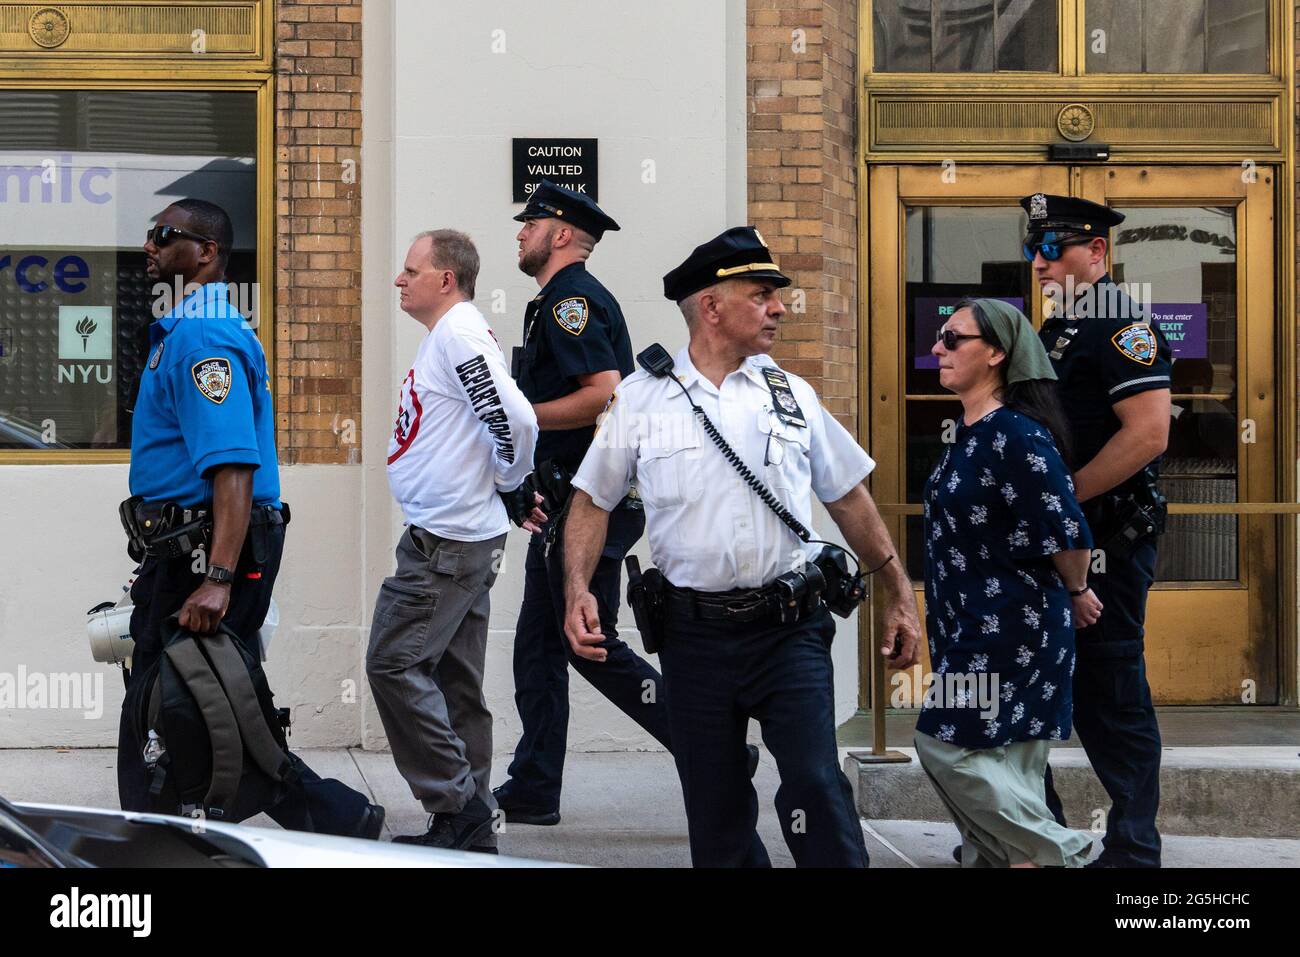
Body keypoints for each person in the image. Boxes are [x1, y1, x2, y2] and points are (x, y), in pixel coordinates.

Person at [561, 226, 922, 867]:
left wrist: (898, 593)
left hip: (790, 629)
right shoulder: (642, 401)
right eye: (762, 295)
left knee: (815, 782)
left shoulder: (791, 395)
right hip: (694, 637)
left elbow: (847, 496)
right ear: (712, 306)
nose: (779, 308)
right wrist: (578, 593)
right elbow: (592, 499)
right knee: (716, 801)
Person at [117, 198, 382, 838]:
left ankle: (145, 834)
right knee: (215, 695)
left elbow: (232, 468)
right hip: (186, 547)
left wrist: (219, 575)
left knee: (175, 693)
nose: (149, 246)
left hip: (201, 551)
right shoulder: (188, 329)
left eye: (164, 235)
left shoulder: (205, 337)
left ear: (205, 253)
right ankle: (336, 818)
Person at [492, 181, 678, 826]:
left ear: (562, 233)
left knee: (582, 643)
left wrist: (516, 419)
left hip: (593, 502)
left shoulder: (572, 300)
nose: (520, 233)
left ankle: (709, 747)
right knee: (542, 648)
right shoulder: (551, 301)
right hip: (571, 497)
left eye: (532, 223)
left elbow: (603, 394)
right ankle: (533, 787)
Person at [367, 230, 541, 851]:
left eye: (411, 270)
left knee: (392, 663)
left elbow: (516, 417)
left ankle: (458, 806)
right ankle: (470, 824)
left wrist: (514, 480)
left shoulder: (459, 333)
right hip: (459, 540)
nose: (399, 279)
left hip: (446, 546)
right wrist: (507, 482)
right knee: (456, 682)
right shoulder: (452, 333)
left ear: (446, 279)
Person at [917, 298, 1099, 868]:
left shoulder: (1017, 434)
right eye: (940, 337)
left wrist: (1075, 590)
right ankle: (1010, 861)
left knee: (944, 742)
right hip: (967, 624)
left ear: (996, 352)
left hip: (1009, 631)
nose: (936, 348)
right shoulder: (969, 431)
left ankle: (1064, 852)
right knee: (1011, 765)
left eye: (953, 338)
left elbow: (1066, 528)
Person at [1021, 193, 1171, 868]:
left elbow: (1148, 433)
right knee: (1034, 690)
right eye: (1036, 248)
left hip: (1106, 542)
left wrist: (1065, 498)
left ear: (1097, 253)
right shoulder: (1061, 327)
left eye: (1054, 248)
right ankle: (1037, 834)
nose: (1040, 262)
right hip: (1056, 544)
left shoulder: (1120, 326)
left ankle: (1133, 848)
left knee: (1110, 694)